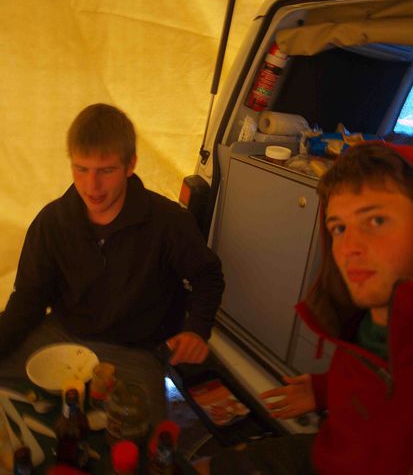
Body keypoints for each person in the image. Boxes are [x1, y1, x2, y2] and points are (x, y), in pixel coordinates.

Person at [193, 141, 413, 475]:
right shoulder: (363, 320)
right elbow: (377, 380)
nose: (349, 248)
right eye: (339, 228)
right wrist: (327, 389)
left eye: (376, 219)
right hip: (329, 451)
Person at [0, 103, 225, 425]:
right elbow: (28, 299)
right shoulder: (52, 221)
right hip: (61, 336)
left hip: (134, 352)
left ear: (130, 164)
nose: (92, 186)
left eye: (105, 170)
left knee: (138, 426)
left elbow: (208, 276)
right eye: (81, 169)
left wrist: (196, 329)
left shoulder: (168, 222)